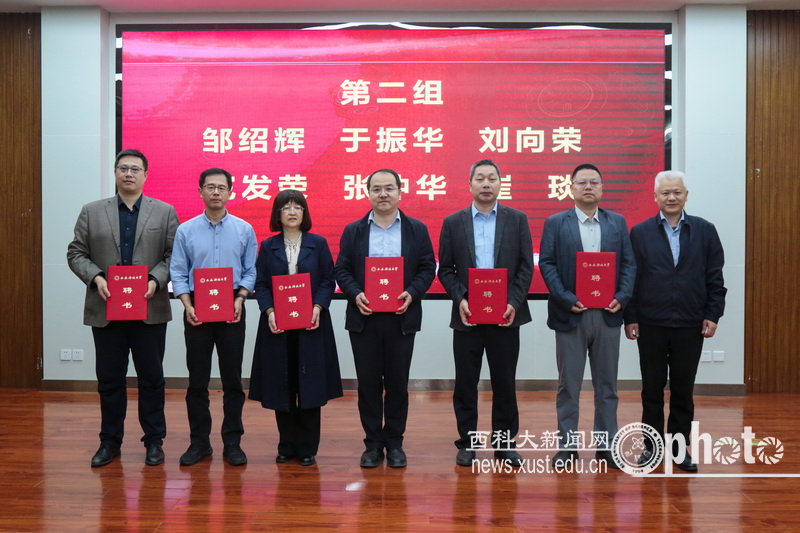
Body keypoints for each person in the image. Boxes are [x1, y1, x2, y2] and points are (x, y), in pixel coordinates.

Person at [67, 149, 179, 467]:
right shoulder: (92, 211)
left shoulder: (164, 212)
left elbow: (174, 255)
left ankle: (154, 441)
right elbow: (76, 253)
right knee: (109, 380)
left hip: (149, 308)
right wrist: (96, 277)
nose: (129, 173)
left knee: (152, 379)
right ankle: (109, 442)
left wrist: (156, 280)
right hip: (106, 308)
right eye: (123, 168)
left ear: (146, 175)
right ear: (116, 172)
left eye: (135, 169)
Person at [624, 170, 726, 472]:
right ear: (655, 197)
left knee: (683, 390)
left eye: (677, 192)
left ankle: (680, 450)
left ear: (686, 196)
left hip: (690, 323)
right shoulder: (640, 232)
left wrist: (713, 314)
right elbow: (633, 279)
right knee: (651, 390)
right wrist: (631, 317)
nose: (671, 197)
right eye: (665, 193)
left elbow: (715, 278)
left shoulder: (705, 231)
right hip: (651, 323)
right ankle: (652, 448)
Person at [335, 168, 436, 468]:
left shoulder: (416, 229)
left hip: (401, 318)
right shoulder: (354, 230)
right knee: (367, 385)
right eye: (376, 188)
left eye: (389, 188)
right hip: (364, 317)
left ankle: (394, 443)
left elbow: (427, 268)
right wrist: (355, 294)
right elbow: (342, 269)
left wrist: (412, 293)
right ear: (367, 193)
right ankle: (372, 444)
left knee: (397, 383)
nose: (383, 194)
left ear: (400, 192)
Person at [538, 163, 636, 470]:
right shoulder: (556, 223)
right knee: (569, 386)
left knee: (607, 387)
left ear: (602, 188)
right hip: (571, 316)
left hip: (607, 315)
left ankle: (606, 446)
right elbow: (547, 265)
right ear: (571, 188)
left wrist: (622, 297)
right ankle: (567, 448)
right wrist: (567, 299)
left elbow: (629, 264)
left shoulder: (617, 222)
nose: (588, 187)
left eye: (594, 182)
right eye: (582, 182)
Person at [438, 159, 533, 467]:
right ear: (470, 185)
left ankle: (504, 443)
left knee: (504, 383)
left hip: (506, 316)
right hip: (467, 316)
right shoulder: (453, 222)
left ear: (500, 183)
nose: (486, 183)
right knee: (465, 383)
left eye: (492, 178)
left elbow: (526, 267)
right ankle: (467, 442)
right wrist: (461, 298)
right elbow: (446, 270)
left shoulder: (517, 219)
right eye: (480, 178)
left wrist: (513, 303)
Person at [170, 168, 257, 467]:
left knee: (232, 380)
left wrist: (240, 298)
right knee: (197, 380)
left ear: (230, 192)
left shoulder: (244, 229)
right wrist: (187, 305)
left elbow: (251, 270)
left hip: (233, 306)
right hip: (197, 309)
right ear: (200, 192)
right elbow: (178, 271)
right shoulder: (186, 230)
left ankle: (232, 442)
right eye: (210, 187)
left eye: (222, 187)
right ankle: (199, 443)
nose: (216, 192)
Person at [249, 189, 343, 467]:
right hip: (278, 325)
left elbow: (328, 280)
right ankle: (286, 444)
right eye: (286, 207)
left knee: (310, 385)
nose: (292, 212)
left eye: (297, 207)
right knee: (283, 384)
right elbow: (261, 284)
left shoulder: (318, 243)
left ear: (304, 213)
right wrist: (269, 311)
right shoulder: (268, 246)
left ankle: (307, 447)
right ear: (277, 214)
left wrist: (318, 307)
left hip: (311, 324)